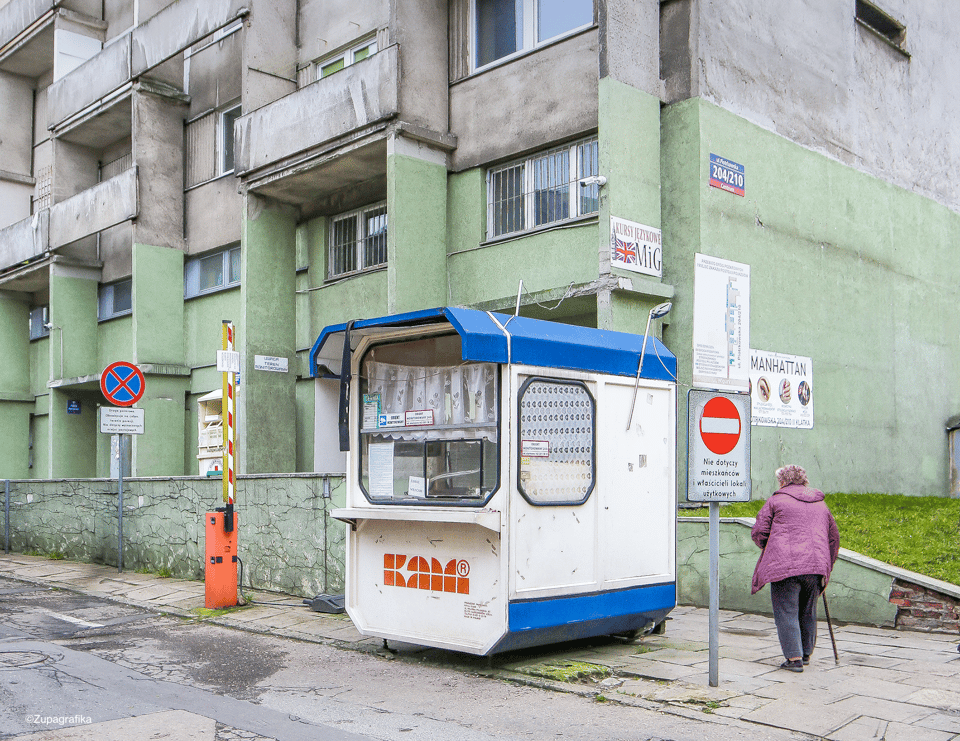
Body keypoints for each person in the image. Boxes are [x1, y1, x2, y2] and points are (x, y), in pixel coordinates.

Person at [751, 465, 840, 672]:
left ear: (783, 481)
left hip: (784, 566)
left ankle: (794, 659)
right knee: (808, 610)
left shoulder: (776, 501)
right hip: (815, 566)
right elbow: (833, 538)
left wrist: (770, 547)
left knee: (786, 611)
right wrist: (827, 566)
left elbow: (760, 532)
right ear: (804, 480)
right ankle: (806, 653)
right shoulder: (821, 504)